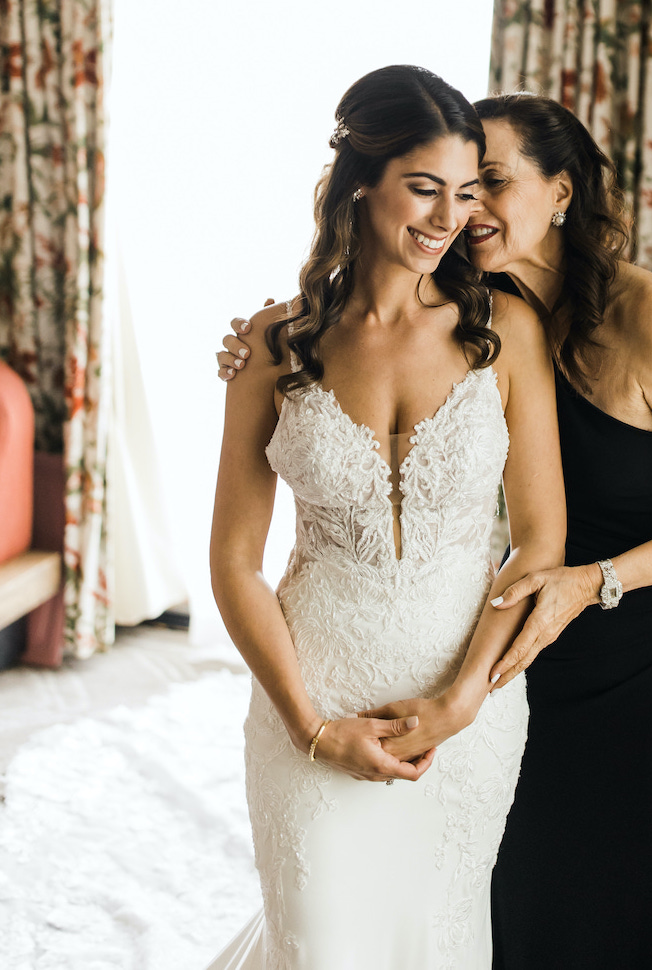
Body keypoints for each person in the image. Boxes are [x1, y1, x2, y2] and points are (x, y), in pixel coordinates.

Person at [216, 92, 652, 969]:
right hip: (525, 650)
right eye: (449, 189)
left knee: (644, 912)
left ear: (562, 192)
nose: (463, 212)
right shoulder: (480, 302)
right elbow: (366, 312)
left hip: (641, 652)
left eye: (487, 186)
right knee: (522, 910)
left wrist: (588, 585)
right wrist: (260, 344)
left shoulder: (636, 318)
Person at [207, 67, 566, 970]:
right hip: (313, 697)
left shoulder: (505, 334)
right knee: (324, 947)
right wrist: (310, 725)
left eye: (466, 192)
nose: (449, 218)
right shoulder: (273, 348)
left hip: (468, 715)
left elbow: (542, 541)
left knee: (436, 943)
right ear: (361, 180)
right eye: (424, 188)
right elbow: (235, 562)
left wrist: (463, 699)